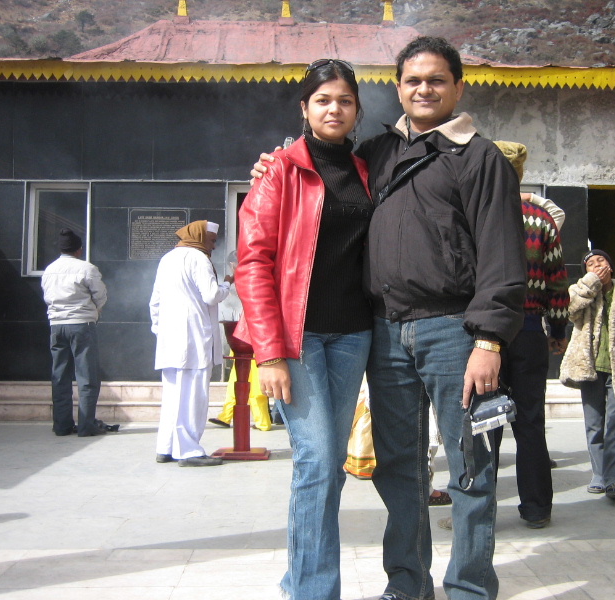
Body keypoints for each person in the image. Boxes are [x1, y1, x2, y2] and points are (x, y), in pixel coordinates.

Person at [252, 37, 527, 600]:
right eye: (413, 81)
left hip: (454, 331)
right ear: (397, 89)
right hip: (383, 332)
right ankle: (408, 583)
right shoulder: (377, 153)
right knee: (399, 467)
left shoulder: (482, 159)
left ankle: (470, 587)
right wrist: (275, 161)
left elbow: (503, 256)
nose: (424, 90)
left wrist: (490, 340)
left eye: (437, 80)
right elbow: (316, 168)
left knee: (470, 466)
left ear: (458, 87)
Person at [235, 59, 374, 600]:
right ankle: (313, 591)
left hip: (354, 335)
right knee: (316, 460)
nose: (334, 109)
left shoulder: (368, 170)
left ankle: (298, 578)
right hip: (299, 339)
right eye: (323, 100)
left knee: (331, 465)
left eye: (344, 100)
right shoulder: (279, 171)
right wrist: (269, 353)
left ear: (357, 108)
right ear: (304, 108)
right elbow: (253, 262)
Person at [492, 140, 570, 530]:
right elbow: (557, 281)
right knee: (530, 424)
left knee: (483, 424)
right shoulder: (541, 219)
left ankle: (479, 510)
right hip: (528, 331)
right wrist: (558, 329)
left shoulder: (476, 211)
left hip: (484, 336)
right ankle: (537, 507)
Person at [560, 249, 615, 500]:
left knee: (614, 424)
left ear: (610, 266)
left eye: (601, 261)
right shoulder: (581, 291)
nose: (597, 265)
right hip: (589, 369)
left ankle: (614, 479)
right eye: (590, 264)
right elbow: (570, 310)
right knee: (594, 424)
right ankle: (599, 474)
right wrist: (591, 283)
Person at [150, 220, 232, 466]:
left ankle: (166, 448)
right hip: (193, 337)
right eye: (212, 241)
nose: (214, 246)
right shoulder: (198, 259)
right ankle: (189, 451)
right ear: (200, 237)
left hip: (170, 338)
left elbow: (155, 301)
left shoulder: (167, 259)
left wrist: (160, 330)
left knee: (173, 395)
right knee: (193, 396)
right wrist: (228, 282)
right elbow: (212, 295)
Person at [41, 228, 112, 437]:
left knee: (60, 377)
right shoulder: (87, 268)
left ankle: (62, 426)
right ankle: (86, 426)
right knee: (87, 376)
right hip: (82, 325)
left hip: (56, 326)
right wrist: (95, 311)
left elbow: (47, 296)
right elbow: (100, 295)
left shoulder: (49, 270)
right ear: (79, 250)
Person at [209, 252, 271, 432]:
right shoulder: (242, 278)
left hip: (257, 336)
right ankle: (226, 415)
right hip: (241, 334)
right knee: (236, 379)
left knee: (256, 382)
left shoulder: (253, 277)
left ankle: (263, 421)